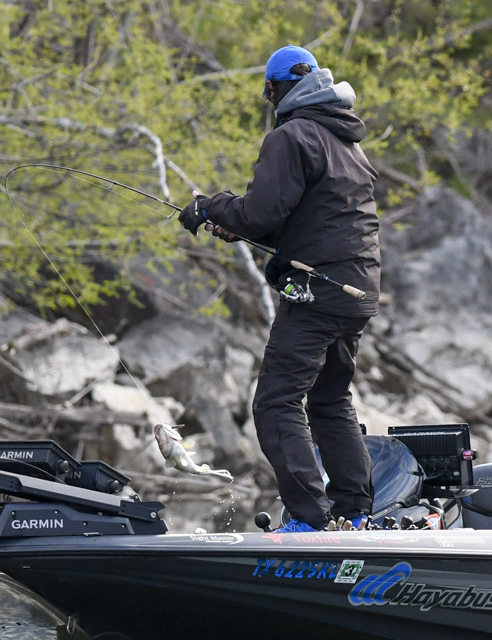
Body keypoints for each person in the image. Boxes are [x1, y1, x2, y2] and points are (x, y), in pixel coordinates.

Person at [178, 45, 380, 533]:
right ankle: (355, 513)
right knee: (329, 400)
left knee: (275, 403)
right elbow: (305, 220)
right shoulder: (345, 141)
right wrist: (239, 227)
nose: (268, 100)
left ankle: (311, 520)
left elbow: (260, 213)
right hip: (357, 289)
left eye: (268, 91)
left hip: (318, 291)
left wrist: (209, 208)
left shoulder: (291, 136)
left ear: (277, 88)